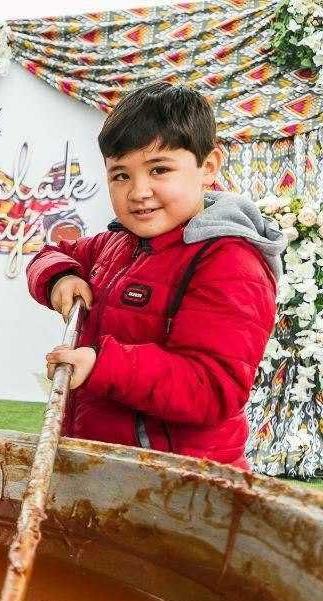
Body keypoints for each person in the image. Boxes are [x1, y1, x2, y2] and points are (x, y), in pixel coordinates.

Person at [29, 82, 285, 468]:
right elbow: (52, 253)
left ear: (209, 167)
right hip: (108, 466)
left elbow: (213, 388)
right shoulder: (117, 244)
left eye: (159, 169)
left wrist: (103, 365)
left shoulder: (230, 261)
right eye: (120, 175)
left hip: (180, 484)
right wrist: (60, 278)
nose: (138, 191)